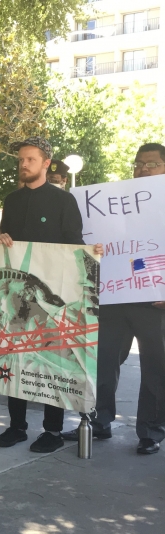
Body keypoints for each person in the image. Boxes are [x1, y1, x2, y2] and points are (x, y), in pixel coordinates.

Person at [0, 137, 101, 453]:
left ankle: (52, 431)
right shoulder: (11, 201)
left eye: (29, 159)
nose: (23, 164)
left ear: (45, 163)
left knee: (50, 362)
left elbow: (74, 243)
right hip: (17, 298)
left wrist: (91, 253)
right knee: (16, 357)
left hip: (51, 297)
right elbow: (8, 241)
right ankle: (17, 427)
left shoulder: (63, 201)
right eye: (21, 159)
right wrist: (3, 239)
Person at [62, 143, 165, 455]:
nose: (143, 169)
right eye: (138, 163)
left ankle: (151, 431)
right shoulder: (113, 202)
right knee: (103, 362)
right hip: (113, 297)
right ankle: (97, 420)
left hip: (155, 302)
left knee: (156, 368)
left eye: (151, 164)